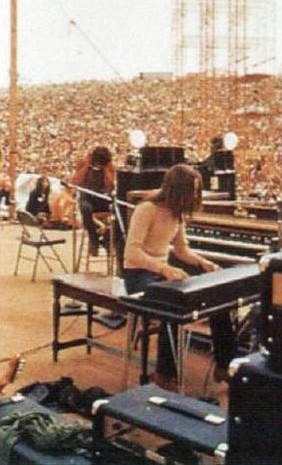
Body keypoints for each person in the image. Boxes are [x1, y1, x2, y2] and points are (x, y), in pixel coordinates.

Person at [121, 165, 237, 390]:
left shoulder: (177, 212)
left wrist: (202, 262)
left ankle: (225, 363)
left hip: (159, 270)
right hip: (137, 273)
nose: (194, 196)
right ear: (176, 189)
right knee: (171, 300)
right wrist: (164, 269)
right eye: (191, 191)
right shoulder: (147, 208)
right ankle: (166, 374)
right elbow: (131, 252)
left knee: (216, 292)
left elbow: (182, 250)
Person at [71, 147, 116, 255]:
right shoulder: (83, 163)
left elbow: (110, 185)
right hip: (87, 196)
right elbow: (76, 181)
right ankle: (94, 238)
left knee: (117, 210)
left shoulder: (109, 166)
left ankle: (107, 238)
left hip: (103, 196)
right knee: (85, 208)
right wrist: (87, 166)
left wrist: (105, 169)